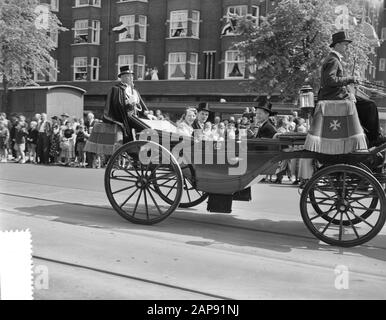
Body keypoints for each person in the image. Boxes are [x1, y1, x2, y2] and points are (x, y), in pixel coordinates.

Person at [318, 30, 386, 147]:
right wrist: (350, 79)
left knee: (365, 105)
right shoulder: (333, 60)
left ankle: (366, 136)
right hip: (335, 97)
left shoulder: (332, 59)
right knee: (370, 105)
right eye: (345, 45)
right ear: (337, 45)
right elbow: (330, 80)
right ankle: (373, 138)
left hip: (334, 95)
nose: (347, 47)